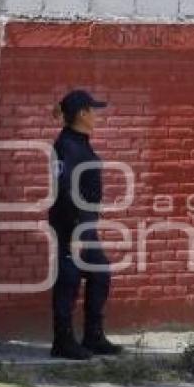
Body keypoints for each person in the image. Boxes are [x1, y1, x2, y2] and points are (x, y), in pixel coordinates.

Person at [48, 90, 122, 360]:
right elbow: (66, 188)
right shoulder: (67, 145)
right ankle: (63, 341)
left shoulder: (80, 141)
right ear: (81, 114)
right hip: (73, 222)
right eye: (93, 110)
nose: (96, 115)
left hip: (85, 222)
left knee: (100, 273)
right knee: (68, 279)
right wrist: (77, 226)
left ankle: (93, 336)